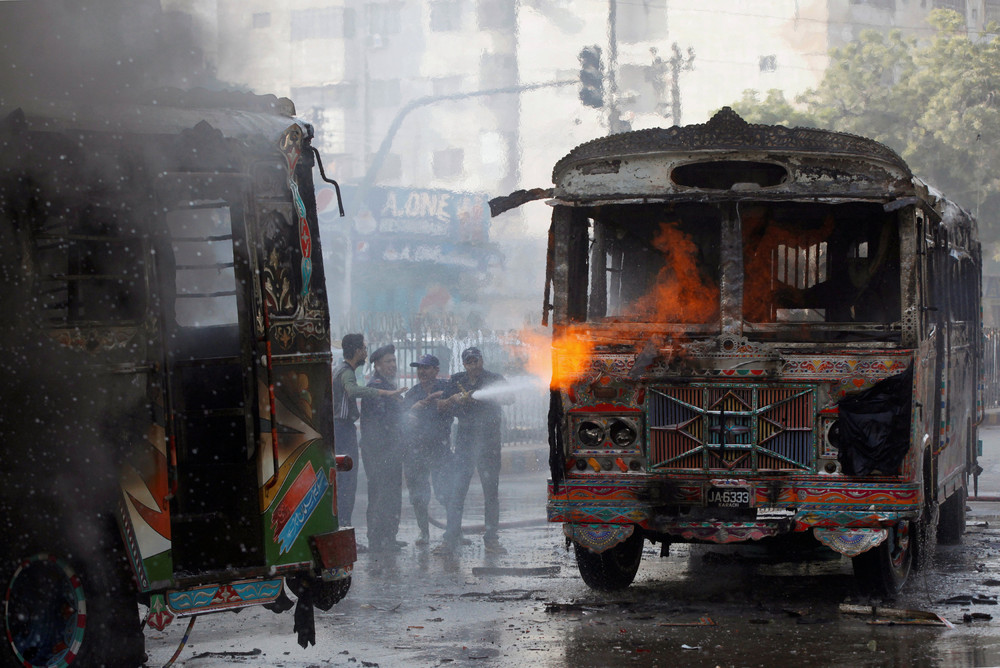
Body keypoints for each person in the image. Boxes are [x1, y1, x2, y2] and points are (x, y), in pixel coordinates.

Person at [437, 347, 513, 555]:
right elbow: (440, 405)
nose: (473, 365)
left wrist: (483, 398)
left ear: (482, 360)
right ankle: (450, 538)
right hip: (465, 442)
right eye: (469, 361)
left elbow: (510, 398)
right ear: (464, 364)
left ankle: (491, 539)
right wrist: (455, 399)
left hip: (489, 443)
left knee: (491, 492)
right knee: (457, 490)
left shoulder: (494, 378)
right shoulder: (456, 380)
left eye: (476, 360)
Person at [332, 333, 404, 540]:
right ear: (356, 351)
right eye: (363, 348)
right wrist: (386, 394)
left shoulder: (352, 373)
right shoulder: (352, 375)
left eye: (394, 361)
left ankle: (384, 536)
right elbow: (355, 394)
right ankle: (360, 536)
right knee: (351, 486)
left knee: (354, 486)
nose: (365, 351)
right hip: (357, 438)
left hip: (352, 434)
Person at [402, 354, 456, 546]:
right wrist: (412, 412)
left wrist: (447, 403)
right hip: (416, 451)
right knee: (418, 496)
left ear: (436, 370)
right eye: (419, 368)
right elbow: (403, 418)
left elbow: (459, 404)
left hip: (440, 449)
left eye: (426, 368)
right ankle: (424, 533)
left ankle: (453, 531)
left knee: (445, 492)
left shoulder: (447, 388)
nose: (422, 372)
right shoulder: (412, 394)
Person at [359, 344, 406, 553]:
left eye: (394, 361)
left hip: (391, 450)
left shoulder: (388, 386)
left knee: (392, 494)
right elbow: (381, 421)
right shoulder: (377, 387)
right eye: (388, 361)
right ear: (377, 365)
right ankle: (377, 539)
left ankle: (389, 536)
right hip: (379, 451)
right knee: (380, 494)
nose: (392, 365)